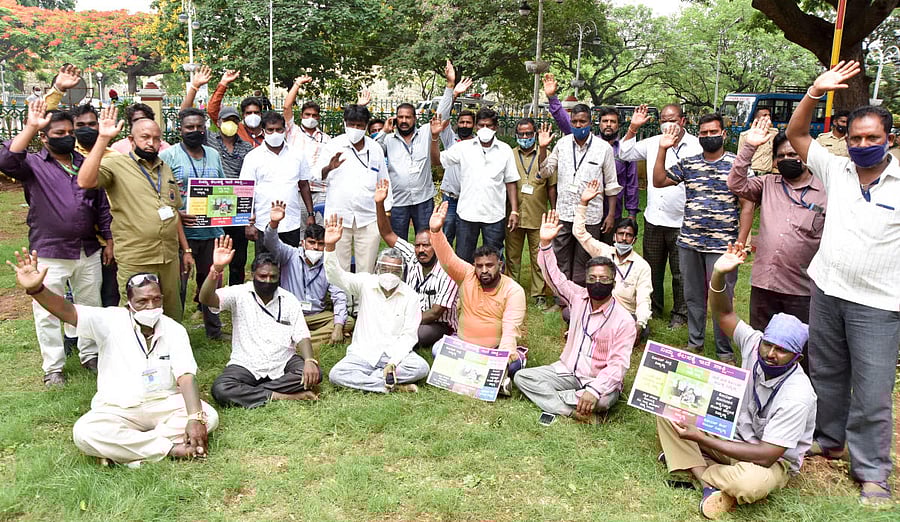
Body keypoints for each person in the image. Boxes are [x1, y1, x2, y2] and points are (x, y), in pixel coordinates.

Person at [786, 60, 900, 507]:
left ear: (889, 138)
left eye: (872, 138)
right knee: (827, 373)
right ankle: (829, 439)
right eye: (856, 138)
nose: (863, 145)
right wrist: (815, 91)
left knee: (872, 390)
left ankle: (872, 471)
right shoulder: (838, 170)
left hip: (879, 304)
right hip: (828, 291)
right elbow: (797, 134)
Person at [8, 251, 219, 465]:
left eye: (156, 299)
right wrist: (36, 289)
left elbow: (185, 375)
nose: (151, 306)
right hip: (118, 407)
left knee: (208, 416)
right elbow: (67, 311)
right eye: (142, 301)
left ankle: (125, 451)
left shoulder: (174, 329)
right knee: (84, 432)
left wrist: (194, 418)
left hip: (164, 402)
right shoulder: (109, 320)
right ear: (129, 303)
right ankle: (169, 449)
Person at [656, 243, 815, 520]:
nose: (770, 354)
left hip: (769, 462)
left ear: (797, 358)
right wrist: (718, 274)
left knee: (750, 484)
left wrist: (699, 437)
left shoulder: (798, 395)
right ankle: (708, 479)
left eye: (782, 350)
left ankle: (694, 465)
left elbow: (766, 455)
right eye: (768, 344)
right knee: (668, 404)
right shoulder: (754, 344)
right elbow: (724, 314)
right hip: (731, 432)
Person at [0, 101, 111, 387]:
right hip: (50, 250)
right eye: (59, 133)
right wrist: (30, 126)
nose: (67, 137)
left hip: (88, 248)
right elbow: (6, 161)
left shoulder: (84, 162)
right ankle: (53, 367)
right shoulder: (33, 164)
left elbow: (101, 204)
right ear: (44, 137)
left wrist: (109, 239)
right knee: (47, 311)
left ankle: (90, 355)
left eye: (70, 132)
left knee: (90, 306)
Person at [515, 210, 637, 423]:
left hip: (598, 380)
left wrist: (594, 390)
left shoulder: (624, 320)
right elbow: (555, 278)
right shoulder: (578, 297)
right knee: (522, 377)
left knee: (602, 400)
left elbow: (618, 366)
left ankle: (565, 399)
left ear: (613, 283)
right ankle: (573, 410)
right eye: (592, 278)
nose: (597, 282)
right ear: (586, 280)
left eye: (603, 279)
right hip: (567, 372)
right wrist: (545, 244)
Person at [77, 106, 194, 322]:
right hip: (137, 256)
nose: (151, 143)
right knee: (135, 312)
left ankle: (167, 343)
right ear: (132, 140)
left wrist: (186, 250)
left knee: (171, 310)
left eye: (156, 139)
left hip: (168, 257)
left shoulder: (165, 168)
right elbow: (85, 181)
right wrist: (103, 138)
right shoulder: (116, 165)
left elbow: (174, 212)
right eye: (145, 137)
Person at [653, 113, 753, 362]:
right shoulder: (689, 164)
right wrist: (662, 149)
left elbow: (748, 205)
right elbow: (658, 180)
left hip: (723, 245)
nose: (709, 136)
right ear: (699, 136)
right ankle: (694, 342)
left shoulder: (736, 164)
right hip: (690, 242)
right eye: (704, 133)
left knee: (722, 298)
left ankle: (724, 350)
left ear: (724, 134)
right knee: (693, 295)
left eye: (713, 132)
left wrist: (741, 241)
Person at [728, 119, 826, 332]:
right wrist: (750, 146)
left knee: (799, 344)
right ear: (774, 161)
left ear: (805, 156)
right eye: (781, 156)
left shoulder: (825, 191)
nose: (786, 159)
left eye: (792, 154)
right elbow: (735, 183)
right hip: (765, 285)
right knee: (762, 340)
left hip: (803, 290)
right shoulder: (767, 184)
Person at [197, 243, 322, 408]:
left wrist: (309, 360)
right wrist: (216, 270)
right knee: (221, 388)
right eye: (263, 276)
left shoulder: (289, 299)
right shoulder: (239, 293)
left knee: (314, 373)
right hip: (246, 363)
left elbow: (302, 334)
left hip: (283, 361)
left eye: (273, 277)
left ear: (279, 276)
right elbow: (206, 299)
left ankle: (249, 392)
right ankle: (282, 396)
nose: (268, 281)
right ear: (252, 275)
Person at [428, 201, 528, 394]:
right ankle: (492, 379)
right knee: (437, 349)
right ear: (474, 266)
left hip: (494, 350)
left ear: (500, 265)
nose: (484, 270)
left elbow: (510, 329)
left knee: (514, 364)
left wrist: (503, 358)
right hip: (463, 345)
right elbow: (447, 258)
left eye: (489, 265)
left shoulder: (513, 290)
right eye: (479, 266)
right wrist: (436, 231)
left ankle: (487, 373)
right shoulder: (467, 275)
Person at [323, 215, 429, 393]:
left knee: (421, 368)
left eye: (395, 270)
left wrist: (393, 362)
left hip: (395, 355)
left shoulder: (410, 296)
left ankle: (372, 378)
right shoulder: (366, 283)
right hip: (363, 353)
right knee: (337, 374)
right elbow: (336, 276)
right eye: (385, 269)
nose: (389, 274)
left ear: (402, 273)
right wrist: (330, 247)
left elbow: (409, 336)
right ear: (377, 268)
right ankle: (390, 386)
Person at [619, 103, 702, 329]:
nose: (668, 124)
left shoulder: (696, 146)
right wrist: (633, 128)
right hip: (654, 219)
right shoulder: (653, 142)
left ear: (683, 121)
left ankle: (680, 314)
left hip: (683, 221)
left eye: (672, 120)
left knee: (681, 271)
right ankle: (653, 308)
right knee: (652, 268)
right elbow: (624, 153)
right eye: (664, 120)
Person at [377, 60, 470, 239]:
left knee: (427, 241)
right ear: (396, 119)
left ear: (415, 119)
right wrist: (383, 131)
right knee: (399, 244)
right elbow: (372, 152)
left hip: (423, 201)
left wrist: (450, 85)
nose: (404, 121)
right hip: (399, 202)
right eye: (400, 117)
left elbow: (441, 114)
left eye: (408, 117)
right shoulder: (388, 140)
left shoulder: (426, 132)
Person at [544, 74, 638, 240]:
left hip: (611, 212)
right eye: (605, 121)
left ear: (618, 125)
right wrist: (552, 98)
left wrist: (631, 213)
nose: (608, 125)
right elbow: (566, 120)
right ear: (598, 123)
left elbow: (631, 184)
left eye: (613, 122)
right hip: (584, 211)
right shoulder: (585, 141)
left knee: (606, 252)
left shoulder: (625, 152)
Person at [538, 101, 621, 287]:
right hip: (564, 213)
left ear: (590, 123)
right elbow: (545, 172)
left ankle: (581, 296)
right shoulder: (562, 144)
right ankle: (562, 297)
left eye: (582, 121)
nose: (578, 125)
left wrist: (610, 215)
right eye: (574, 121)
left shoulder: (603, 148)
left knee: (584, 260)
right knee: (560, 258)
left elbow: (611, 185)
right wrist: (542, 148)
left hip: (590, 216)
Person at [160, 108, 226, 340]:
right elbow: (158, 194)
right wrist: (177, 212)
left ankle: (214, 330)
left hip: (212, 230)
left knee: (212, 280)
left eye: (199, 126)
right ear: (180, 129)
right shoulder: (169, 156)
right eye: (190, 127)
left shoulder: (213, 154)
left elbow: (223, 189)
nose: (195, 131)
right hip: (182, 234)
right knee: (178, 285)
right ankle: (173, 333)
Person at [374, 179, 458, 349]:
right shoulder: (412, 256)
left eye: (426, 245)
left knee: (418, 334)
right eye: (417, 245)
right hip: (409, 316)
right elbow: (387, 233)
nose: (421, 250)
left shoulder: (448, 271)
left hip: (438, 323)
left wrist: (402, 321)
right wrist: (379, 203)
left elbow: (435, 313)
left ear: (436, 246)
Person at [429, 108, 520, 263]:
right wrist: (434, 137)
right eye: (481, 125)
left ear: (495, 127)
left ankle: (492, 280)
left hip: (494, 215)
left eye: (489, 125)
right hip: (467, 214)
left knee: (494, 260)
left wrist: (515, 211)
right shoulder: (463, 147)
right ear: (476, 127)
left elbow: (511, 182)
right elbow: (437, 160)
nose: (485, 129)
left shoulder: (505, 150)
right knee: (463, 259)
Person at [315, 104, 390, 274]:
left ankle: (363, 292)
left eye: (359, 125)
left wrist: (386, 211)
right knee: (339, 268)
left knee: (367, 268)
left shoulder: (375, 149)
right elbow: (316, 175)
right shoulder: (333, 145)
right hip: (338, 216)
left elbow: (384, 181)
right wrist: (329, 167)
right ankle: (341, 293)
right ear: (344, 123)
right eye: (351, 124)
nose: (355, 129)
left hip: (369, 216)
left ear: (366, 126)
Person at [576, 180, 652, 344]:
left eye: (628, 235)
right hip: (600, 308)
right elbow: (579, 233)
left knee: (642, 328)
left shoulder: (642, 266)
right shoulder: (604, 252)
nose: (624, 238)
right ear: (614, 236)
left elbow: (643, 299)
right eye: (621, 234)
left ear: (634, 240)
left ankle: (595, 331)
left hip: (624, 314)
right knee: (569, 313)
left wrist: (640, 324)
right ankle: (602, 331)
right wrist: (583, 203)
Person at [264, 200, 349, 349]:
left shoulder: (329, 263)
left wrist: (338, 327)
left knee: (346, 322)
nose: (315, 247)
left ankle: (296, 343)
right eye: (311, 242)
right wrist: (274, 223)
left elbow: (339, 296)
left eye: (320, 244)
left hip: (315, 316)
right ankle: (313, 339)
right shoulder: (290, 254)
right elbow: (271, 243)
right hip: (289, 313)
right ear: (303, 243)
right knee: (269, 320)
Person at [69, 103, 120, 309]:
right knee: (79, 298)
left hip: (112, 235)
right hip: (79, 238)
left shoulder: (115, 157)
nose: (87, 129)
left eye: (91, 124)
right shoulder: (67, 157)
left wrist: (111, 240)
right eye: (80, 125)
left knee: (110, 292)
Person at [240, 111, 314, 251]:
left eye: (279, 129)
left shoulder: (297, 155)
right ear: (263, 131)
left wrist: (310, 214)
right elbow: (245, 191)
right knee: (265, 262)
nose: (275, 133)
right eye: (270, 130)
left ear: (284, 130)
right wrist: (248, 223)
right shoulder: (252, 157)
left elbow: (304, 185)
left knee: (290, 262)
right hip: (263, 222)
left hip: (291, 222)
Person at [506, 118, 556, 310]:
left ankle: (538, 293)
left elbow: (551, 186)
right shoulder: (509, 155)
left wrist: (554, 209)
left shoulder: (547, 155)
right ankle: (512, 291)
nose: (525, 137)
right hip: (514, 215)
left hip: (538, 215)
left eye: (528, 133)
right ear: (516, 135)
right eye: (521, 134)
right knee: (512, 256)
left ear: (534, 134)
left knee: (538, 256)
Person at [284, 75, 331, 214]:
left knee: (321, 226)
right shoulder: (293, 132)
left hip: (321, 190)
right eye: (307, 114)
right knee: (299, 226)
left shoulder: (326, 139)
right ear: (301, 116)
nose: (311, 118)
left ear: (319, 117)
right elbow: (286, 107)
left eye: (314, 115)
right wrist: (297, 84)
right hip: (297, 190)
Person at [208, 70, 265, 147]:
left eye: (256, 112)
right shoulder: (236, 129)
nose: (253, 115)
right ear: (243, 115)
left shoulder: (270, 133)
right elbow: (213, 111)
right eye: (249, 113)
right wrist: (223, 84)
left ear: (261, 114)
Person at [736, 107, 779, 175]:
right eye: (764, 115)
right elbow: (740, 157)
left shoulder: (774, 133)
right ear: (757, 119)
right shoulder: (746, 135)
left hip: (767, 174)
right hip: (752, 174)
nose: (768, 117)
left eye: (769, 115)